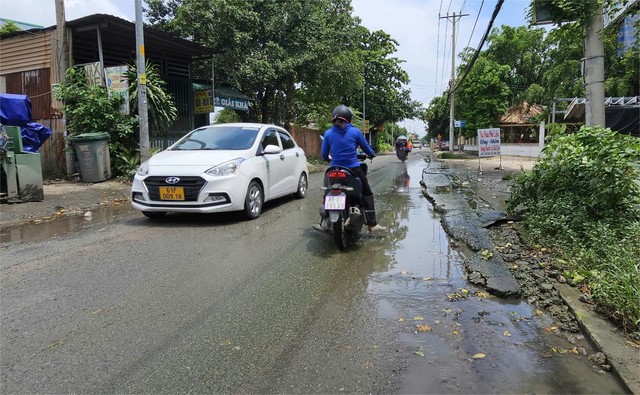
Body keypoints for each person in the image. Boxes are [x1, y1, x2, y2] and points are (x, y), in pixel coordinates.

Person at [317, 105, 386, 233]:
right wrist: (371, 154)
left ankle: (324, 220)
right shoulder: (355, 132)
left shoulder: (328, 133)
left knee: (327, 191)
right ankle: (372, 224)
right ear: (349, 118)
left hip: (333, 170)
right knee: (367, 193)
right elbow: (366, 147)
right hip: (353, 169)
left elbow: (323, 155)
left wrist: (327, 159)